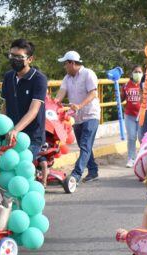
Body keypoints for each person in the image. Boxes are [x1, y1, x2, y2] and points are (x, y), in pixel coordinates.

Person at [55, 50, 100, 191]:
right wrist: (54, 104)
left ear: (72, 63)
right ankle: (93, 171)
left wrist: (79, 105)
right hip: (76, 118)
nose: (64, 67)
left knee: (85, 145)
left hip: (90, 115)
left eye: (65, 64)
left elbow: (93, 93)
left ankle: (76, 175)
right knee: (83, 146)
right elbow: (61, 93)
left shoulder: (88, 74)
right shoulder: (67, 78)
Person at [1, 39, 48, 160]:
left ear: (30, 59)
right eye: (12, 55)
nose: (14, 59)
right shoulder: (8, 77)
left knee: (22, 167)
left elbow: (34, 110)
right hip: (11, 134)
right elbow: (5, 105)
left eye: (19, 57)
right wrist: (1, 126)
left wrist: (16, 129)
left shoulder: (39, 79)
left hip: (31, 136)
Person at [120, 65, 142, 167]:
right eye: (136, 72)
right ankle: (131, 158)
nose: (138, 74)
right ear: (132, 73)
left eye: (139, 72)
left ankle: (143, 158)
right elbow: (121, 99)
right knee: (132, 137)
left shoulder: (144, 85)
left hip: (142, 115)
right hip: (129, 116)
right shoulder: (126, 85)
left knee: (142, 137)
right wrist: (118, 93)